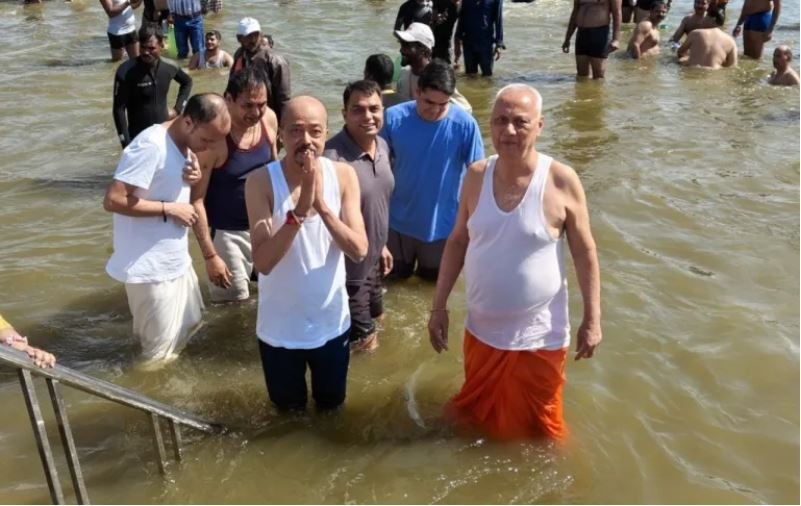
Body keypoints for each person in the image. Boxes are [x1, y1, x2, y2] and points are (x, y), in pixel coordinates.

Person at [428, 84, 602, 441]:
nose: (508, 131)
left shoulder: (561, 180)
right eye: (500, 121)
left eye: (520, 122)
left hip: (539, 336)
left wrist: (592, 320)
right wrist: (438, 307)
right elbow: (458, 241)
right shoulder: (476, 176)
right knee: (475, 419)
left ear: (540, 126)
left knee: (544, 431)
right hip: (482, 330)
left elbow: (585, 253)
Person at [245, 96, 368, 411]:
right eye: (296, 131)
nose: (306, 140)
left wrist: (322, 208)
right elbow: (263, 263)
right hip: (279, 330)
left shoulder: (343, 175)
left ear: (326, 133)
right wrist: (298, 213)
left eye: (315, 131)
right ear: (280, 135)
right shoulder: (261, 182)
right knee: (288, 417)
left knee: (332, 410)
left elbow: (359, 250)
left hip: (332, 325)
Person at [103, 94, 231, 365]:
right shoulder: (151, 146)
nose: (210, 148)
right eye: (207, 140)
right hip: (149, 271)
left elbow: (173, 187)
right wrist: (169, 209)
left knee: (190, 329)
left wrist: (194, 178)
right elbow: (113, 200)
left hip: (175, 263)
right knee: (156, 359)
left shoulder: (184, 145)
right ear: (188, 122)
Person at [381, 60, 484, 281]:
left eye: (443, 104)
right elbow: (376, 169)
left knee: (432, 287)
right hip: (396, 224)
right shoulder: (392, 118)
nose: (435, 110)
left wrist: (472, 226)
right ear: (417, 91)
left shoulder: (466, 125)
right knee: (393, 282)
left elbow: (478, 177)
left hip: (442, 227)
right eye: (429, 102)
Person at [192, 68, 278, 302]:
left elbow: (275, 172)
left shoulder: (269, 119)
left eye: (261, 104)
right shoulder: (214, 140)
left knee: (271, 297)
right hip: (227, 234)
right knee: (233, 307)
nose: (256, 112)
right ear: (228, 99)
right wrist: (210, 256)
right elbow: (196, 200)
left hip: (265, 227)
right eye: (248, 105)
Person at [324, 81, 394, 353]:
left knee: (380, 322)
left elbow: (377, 200)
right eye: (358, 110)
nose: (368, 116)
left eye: (374, 109)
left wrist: (382, 244)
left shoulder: (383, 146)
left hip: (374, 262)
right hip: (348, 273)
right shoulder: (332, 159)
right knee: (365, 348)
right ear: (344, 114)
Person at [113, 24, 193, 148]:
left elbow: (187, 82)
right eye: (143, 47)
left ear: (162, 45)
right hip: (138, 138)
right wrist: (126, 143)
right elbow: (118, 110)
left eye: (151, 48)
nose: (146, 52)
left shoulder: (169, 67)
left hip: (164, 134)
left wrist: (178, 109)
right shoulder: (126, 72)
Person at [395, 23, 473, 113]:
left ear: (423, 49)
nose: (401, 50)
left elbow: (466, 110)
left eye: (406, 46)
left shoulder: (438, 76)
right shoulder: (404, 74)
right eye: (402, 45)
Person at [230, 17, 291, 122]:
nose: (253, 39)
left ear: (261, 35)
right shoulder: (240, 54)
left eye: (256, 35)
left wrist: (283, 124)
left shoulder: (276, 61)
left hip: (266, 115)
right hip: (244, 113)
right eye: (248, 36)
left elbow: (284, 99)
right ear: (239, 38)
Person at [562, 0, 623, 79]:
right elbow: (575, 12)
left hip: (599, 33)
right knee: (581, 75)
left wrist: (616, 39)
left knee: (598, 76)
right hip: (582, 34)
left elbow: (617, 12)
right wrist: (567, 39)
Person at [454, 0, 505, 77]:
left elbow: (499, 21)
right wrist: (457, 39)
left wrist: (499, 43)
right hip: (468, 43)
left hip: (486, 44)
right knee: (470, 76)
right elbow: (462, 19)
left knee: (487, 76)